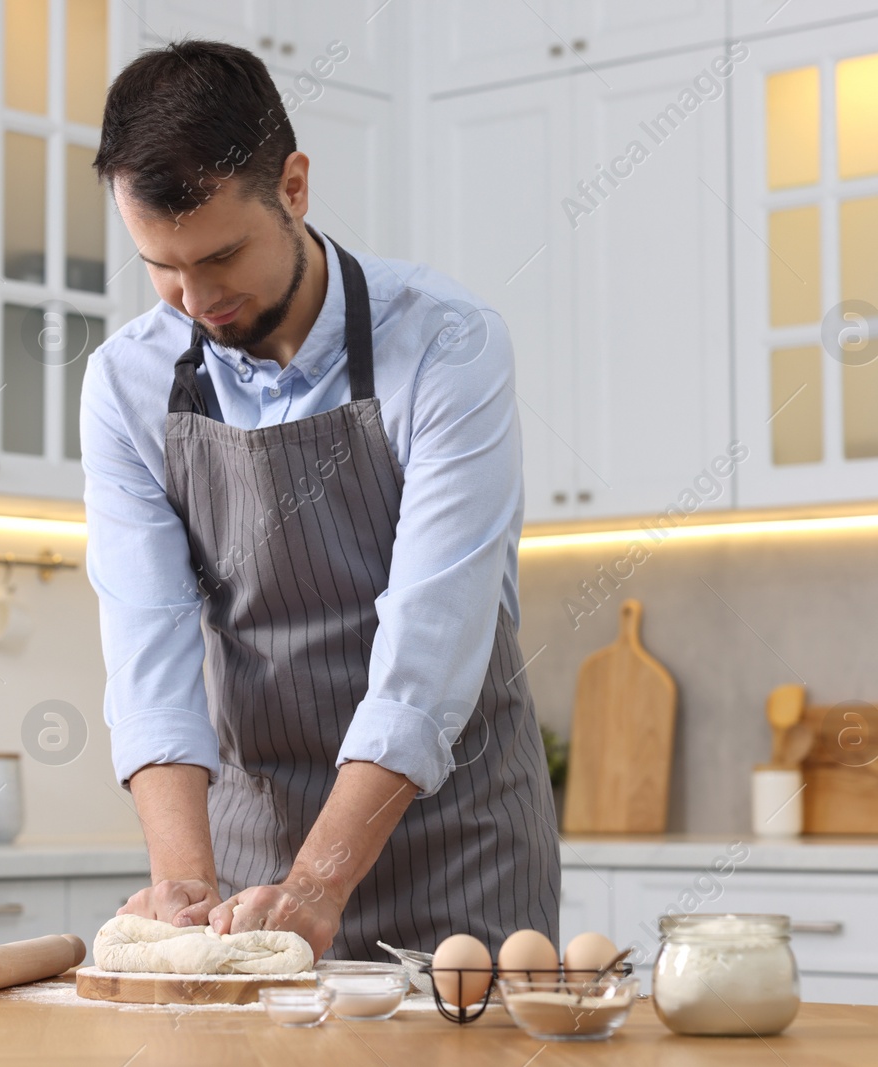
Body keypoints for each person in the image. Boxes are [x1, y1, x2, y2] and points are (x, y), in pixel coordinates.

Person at [80, 38, 560, 961]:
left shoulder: (448, 346)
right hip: (251, 847)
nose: (197, 298)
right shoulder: (126, 384)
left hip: (460, 848)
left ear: (293, 187)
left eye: (221, 257)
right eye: (162, 267)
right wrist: (185, 879)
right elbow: (150, 649)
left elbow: (434, 640)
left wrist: (320, 882)